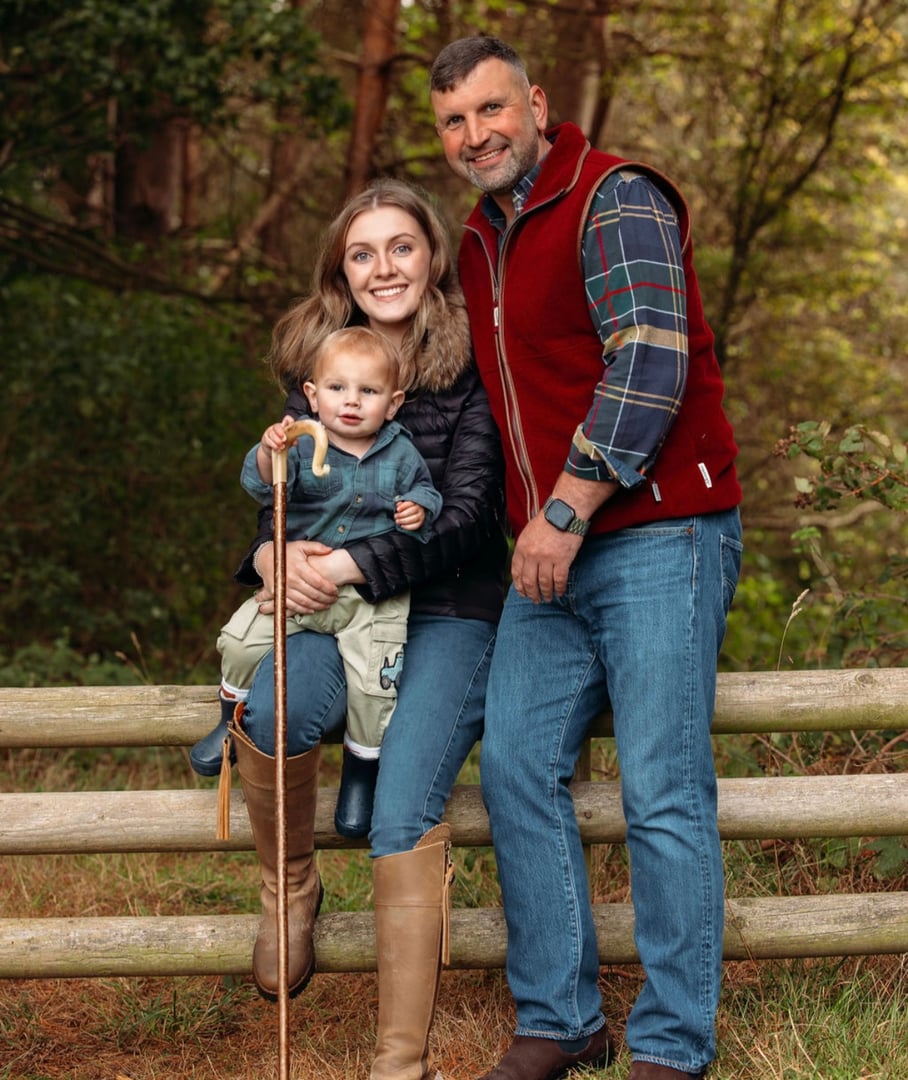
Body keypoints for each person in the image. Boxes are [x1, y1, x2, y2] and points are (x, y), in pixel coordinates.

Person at [429, 36, 743, 1080]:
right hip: (548, 548)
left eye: (490, 109)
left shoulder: (612, 199)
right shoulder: (478, 238)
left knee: (660, 788)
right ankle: (558, 1020)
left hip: (656, 532)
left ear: (536, 101)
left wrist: (559, 513)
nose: (475, 134)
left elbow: (646, 363)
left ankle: (669, 1042)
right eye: (452, 121)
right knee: (514, 765)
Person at [214, 178, 508, 1080]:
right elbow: (290, 498)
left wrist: (343, 565)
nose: (385, 267)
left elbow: (467, 515)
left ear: (432, 256)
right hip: (331, 608)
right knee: (274, 705)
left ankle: (398, 1060)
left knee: (404, 808)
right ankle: (289, 888)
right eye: (362, 251)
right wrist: (269, 562)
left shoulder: (472, 366)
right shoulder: (319, 370)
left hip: (446, 609)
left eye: (402, 246)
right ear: (340, 270)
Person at [218, 325, 442, 838]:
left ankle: (361, 774)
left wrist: (418, 510)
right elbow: (258, 487)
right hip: (301, 583)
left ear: (393, 403)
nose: (351, 402)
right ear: (314, 397)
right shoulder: (298, 444)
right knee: (241, 638)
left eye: (368, 392)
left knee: (373, 685)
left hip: (370, 596)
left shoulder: (401, 453)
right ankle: (228, 723)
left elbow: (429, 494)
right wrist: (266, 450)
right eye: (338, 389)